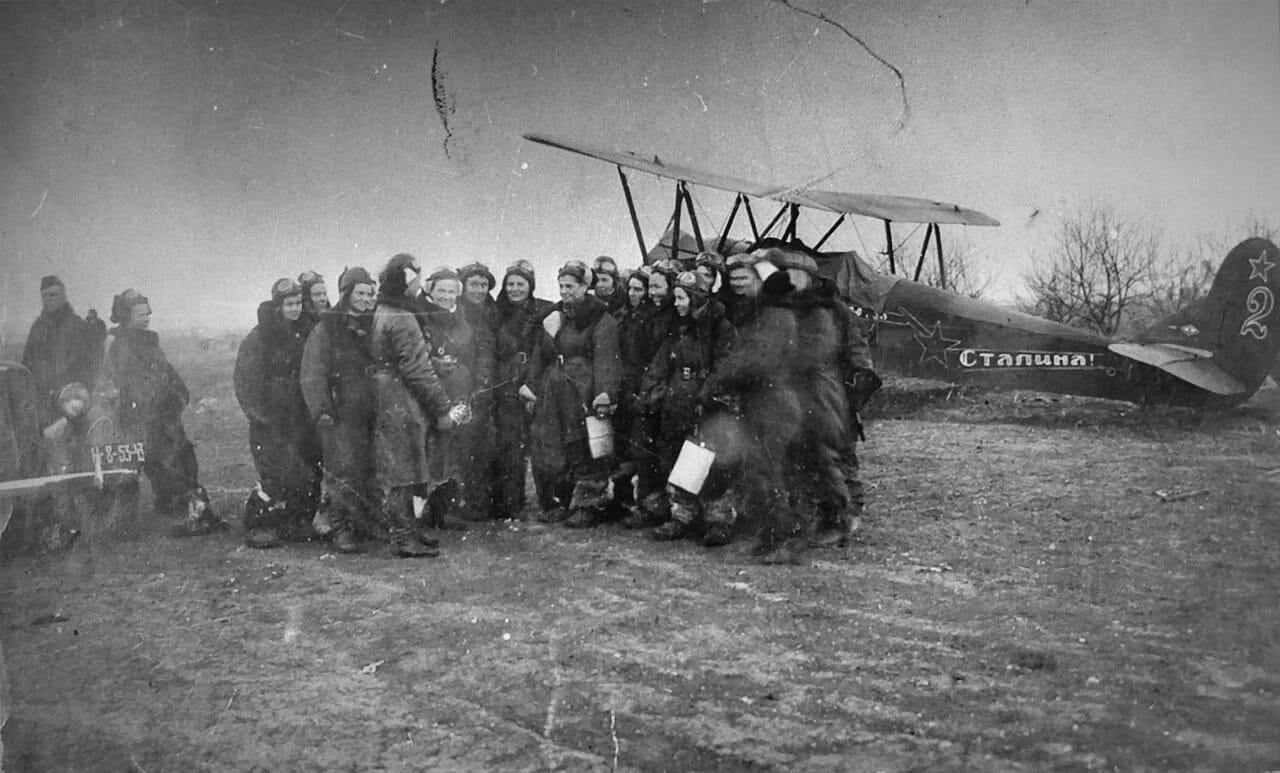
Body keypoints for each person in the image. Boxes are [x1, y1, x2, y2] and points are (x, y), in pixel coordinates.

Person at [101, 289, 227, 535]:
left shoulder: (149, 343)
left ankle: (191, 510)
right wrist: (160, 401)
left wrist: (179, 392)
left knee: (183, 459)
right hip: (145, 419)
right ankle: (179, 513)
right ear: (126, 316)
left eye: (147, 313)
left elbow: (167, 372)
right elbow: (131, 384)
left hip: (166, 416)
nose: (146, 318)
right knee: (163, 464)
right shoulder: (122, 348)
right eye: (140, 314)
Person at [370, 254, 466, 557]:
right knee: (404, 467)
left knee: (406, 463)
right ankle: (402, 537)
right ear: (405, 281)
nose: (417, 285)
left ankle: (408, 530)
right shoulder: (402, 316)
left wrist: (432, 361)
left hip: (389, 392)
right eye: (414, 279)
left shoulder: (385, 310)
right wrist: (441, 409)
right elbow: (416, 370)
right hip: (401, 398)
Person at [639, 271, 736, 544]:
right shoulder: (678, 327)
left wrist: (706, 397)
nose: (677, 303)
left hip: (708, 405)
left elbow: (725, 366)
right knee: (676, 457)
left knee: (712, 462)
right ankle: (682, 515)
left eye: (682, 298)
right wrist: (651, 390)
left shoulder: (721, 327)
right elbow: (661, 362)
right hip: (677, 401)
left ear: (696, 299)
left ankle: (719, 519)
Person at [522, 261, 621, 527]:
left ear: (585, 287)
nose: (565, 291)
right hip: (554, 391)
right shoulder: (556, 317)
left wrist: (604, 394)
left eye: (571, 286)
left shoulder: (601, 318)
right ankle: (562, 502)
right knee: (555, 445)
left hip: (583, 391)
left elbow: (606, 360)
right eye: (561, 286)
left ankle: (590, 505)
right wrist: (531, 385)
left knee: (585, 448)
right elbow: (540, 354)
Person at [233, 278, 322, 548]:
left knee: (309, 471)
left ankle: (295, 522)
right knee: (277, 475)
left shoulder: (307, 332)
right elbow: (246, 381)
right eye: (289, 304)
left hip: (302, 415)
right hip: (272, 419)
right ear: (277, 306)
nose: (294, 309)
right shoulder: (259, 337)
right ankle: (258, 525)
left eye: (297, 303)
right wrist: (259, 416)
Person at [301, 266, 379, 554]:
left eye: (369, 293)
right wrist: (322, 409)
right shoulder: (327, 329)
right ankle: (341, 527)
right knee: (341, 470)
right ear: (346, 294)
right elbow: (312, 372)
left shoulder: (377, 324)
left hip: (372, 408)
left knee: (371, 468)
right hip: (341, 411)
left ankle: (366, 522)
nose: (365, 298)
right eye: (359, 292)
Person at [415, 268, 484, 527]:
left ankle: (443, 511)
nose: (446, 296)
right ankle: (420, 513)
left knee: (454, 450)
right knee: (429, 450)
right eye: (441, 290)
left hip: (459, 392)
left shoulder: (463, 323)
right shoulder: (420, 318)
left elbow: (472, 357)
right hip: (431, 395)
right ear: (430, 291)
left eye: (451, 291)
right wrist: (434, 362)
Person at [491, 260, 553, 518]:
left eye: (521, 284)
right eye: (511, 284)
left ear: (531, 286)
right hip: (506, 383)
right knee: (510, 443)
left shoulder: (545, 310)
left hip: (534, 379)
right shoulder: (495, 312)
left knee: (541, 441)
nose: (515, 289)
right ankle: (510, 503)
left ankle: (549, 501)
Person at [22, 276, 103, 429]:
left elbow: (91, 366)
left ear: (64, 296)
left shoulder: (79, 327)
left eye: (53, 295)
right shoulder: (37, 328)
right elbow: (27, 363)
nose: (48, 299)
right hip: (42, 405)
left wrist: (77, 398)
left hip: (72, 405)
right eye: (44, 296)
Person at [609, 270, 656, 521]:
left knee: (641, 446)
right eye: (632, 289)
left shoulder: (652, 319)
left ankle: (645, 503)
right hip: (624, 386)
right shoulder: (622, 317)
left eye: (639, 289)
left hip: (642, 385)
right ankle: (621, 498)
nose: (634, 294)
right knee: (621, 443)